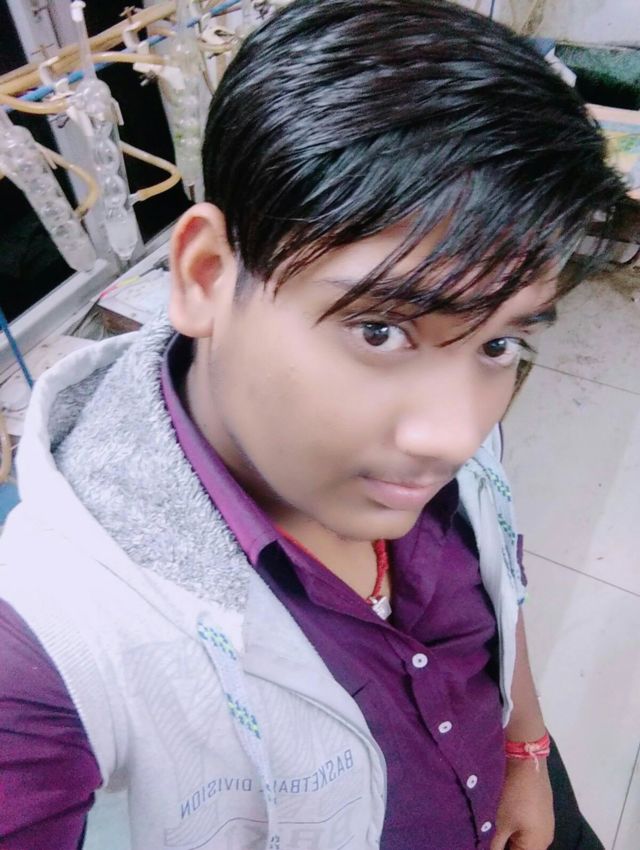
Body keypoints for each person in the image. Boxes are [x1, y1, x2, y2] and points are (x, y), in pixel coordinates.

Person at [0, 1, 629, 848]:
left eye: (501, 342)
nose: (454, 436)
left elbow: (499, 583)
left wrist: (526, 750)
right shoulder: (50, 641)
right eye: (380, 331)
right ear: (206, 276)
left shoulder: (433, 420)